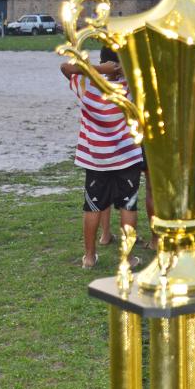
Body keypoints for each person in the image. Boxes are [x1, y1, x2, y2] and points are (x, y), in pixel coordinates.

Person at [61, 46, 144, 270]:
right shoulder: (132, 87)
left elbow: (66, 67)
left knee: (92, 207)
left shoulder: (87, 86)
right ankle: (127, 258)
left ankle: (89, 257)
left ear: (104, 61)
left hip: (96, 159)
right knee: (129, 207)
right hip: (127, 157)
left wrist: (97, 69)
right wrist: (122, 70)